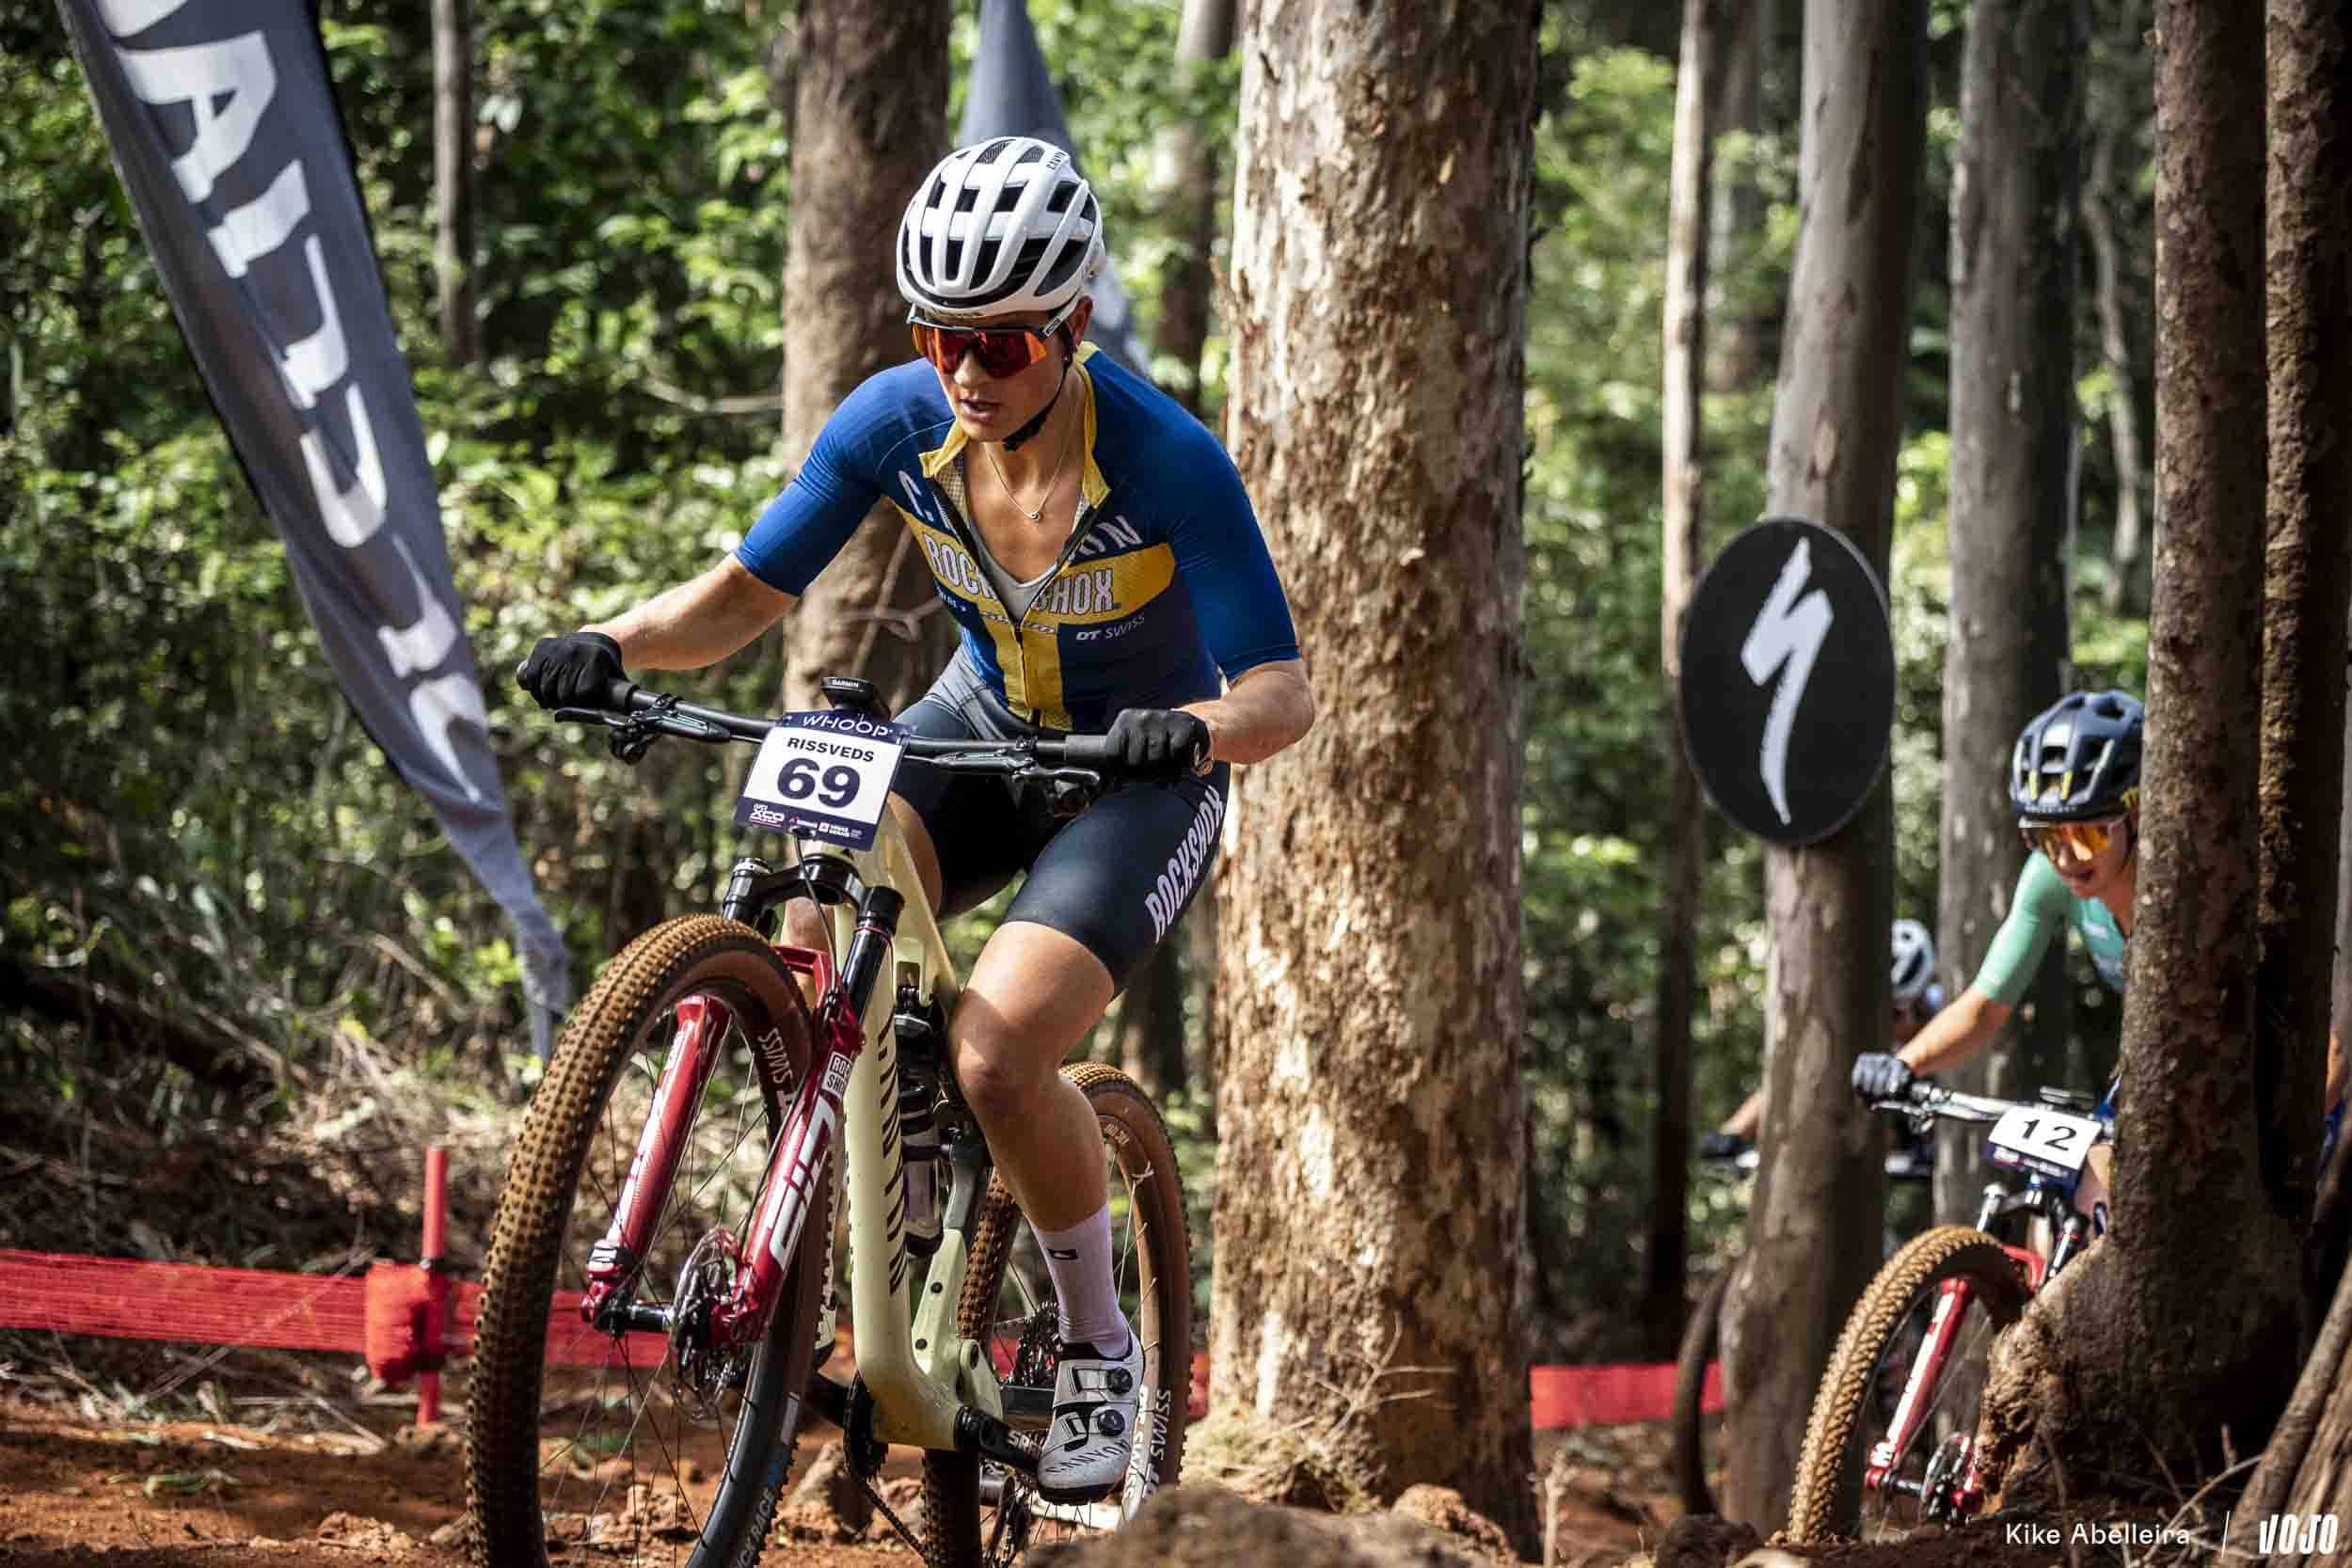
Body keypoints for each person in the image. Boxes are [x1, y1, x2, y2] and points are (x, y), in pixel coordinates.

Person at [516, 135, 1314, 1500]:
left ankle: (1100, 1342)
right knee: (824, 917)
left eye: (999, 342)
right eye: (940, 335)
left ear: (1072, 324)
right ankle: (869, 1211)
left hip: (1138, 773)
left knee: (999, 1050)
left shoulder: (1168, 459)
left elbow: (1282, 691)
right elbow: (746, 590)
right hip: (981, 723)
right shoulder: (895, 422)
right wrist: (616, 641)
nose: (965, 371)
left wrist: (1195, 727)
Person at [1850, 689, 2346, 1203]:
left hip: (2273, 1079)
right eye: (2045, 836)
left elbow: (2330, 1051)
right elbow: (1985, 1006)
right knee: (2066, 1196)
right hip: (2167, 1065)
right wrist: (1904, 1063)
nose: (2066, 857)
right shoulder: (2048, 879)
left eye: (2087, 833)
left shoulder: (2198, 884)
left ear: (2138, 813)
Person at [1698, 918, 1946, 1160]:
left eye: (1896, 1013)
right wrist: (1734, 1132)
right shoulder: (1866, 1028)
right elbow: (1798, 1078)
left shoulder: (1945, 1014)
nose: (1889, 1024)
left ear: (1921, 1004)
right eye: (1883, 1012)